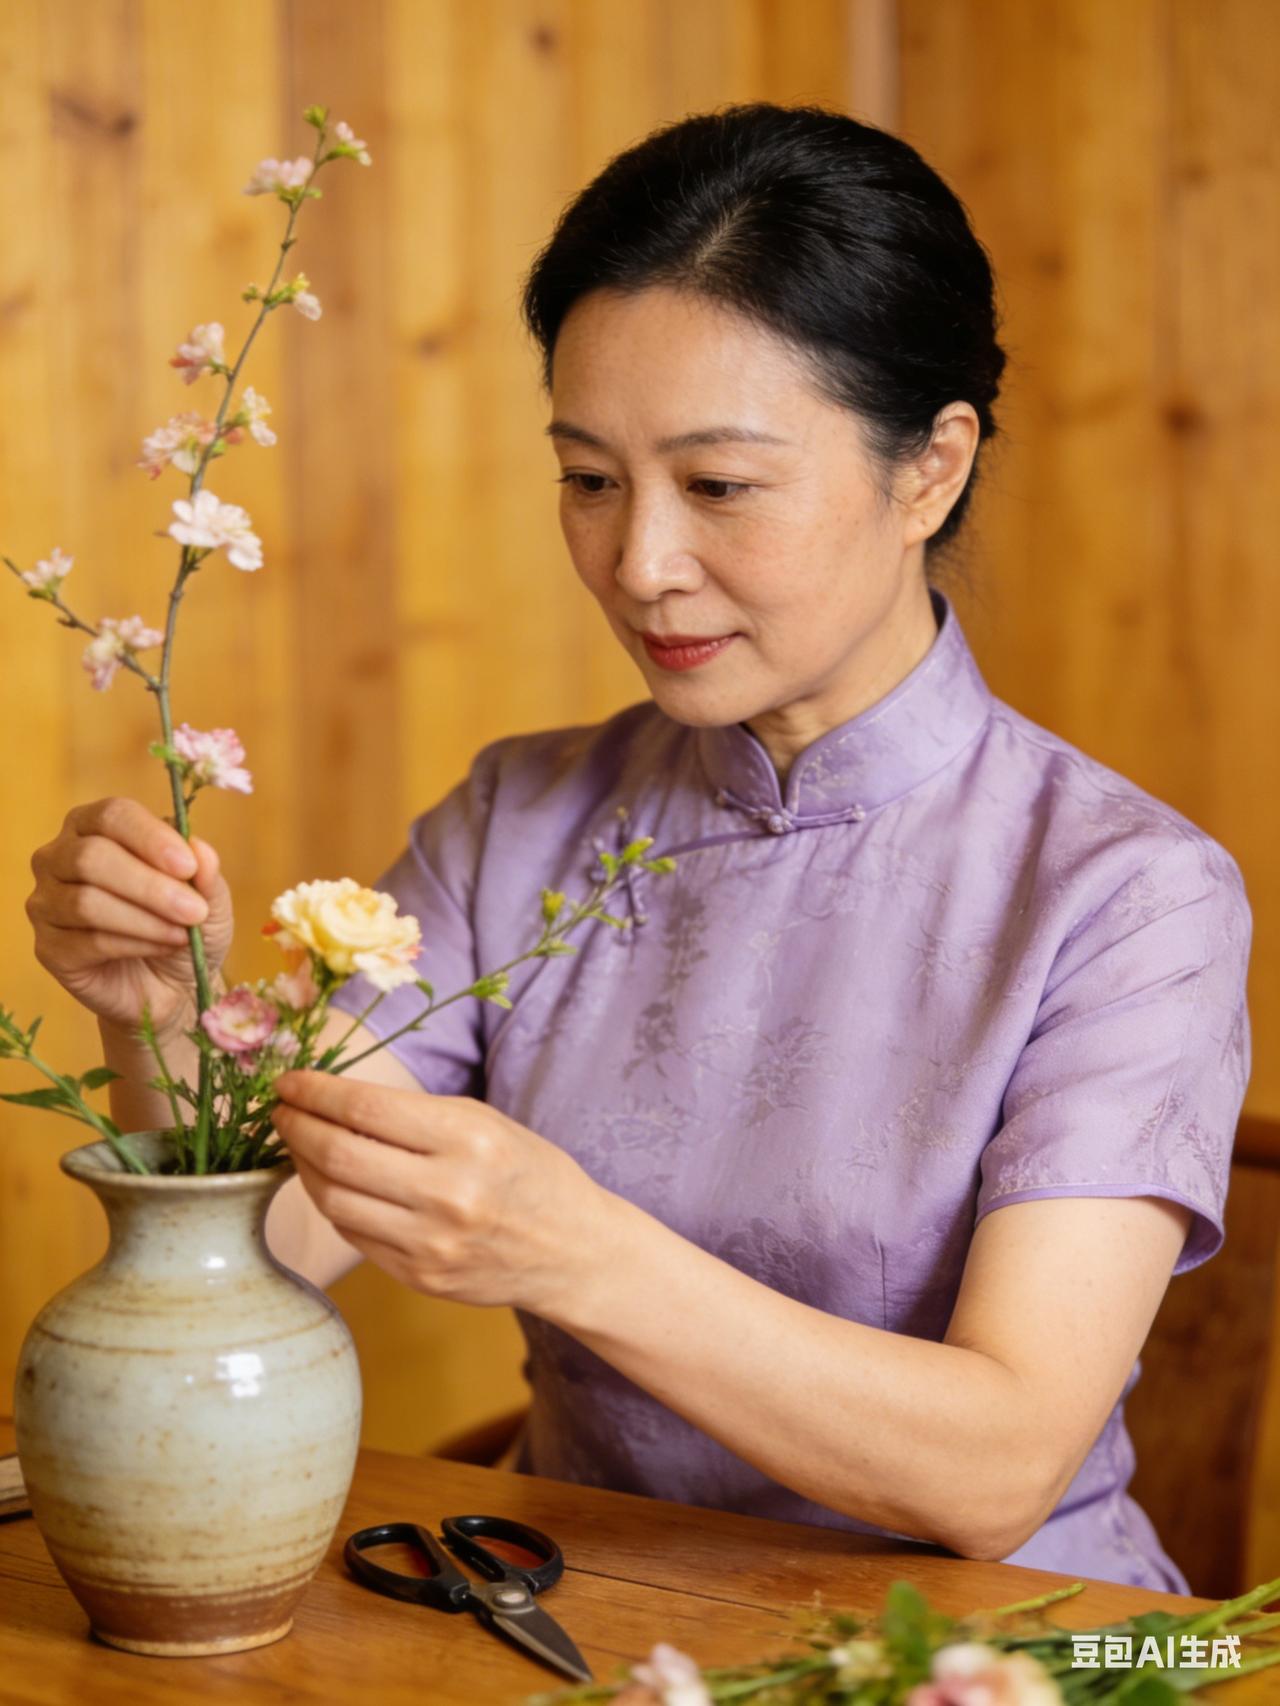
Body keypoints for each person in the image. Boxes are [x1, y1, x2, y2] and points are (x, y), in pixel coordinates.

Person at [27, 103, 1250, 1595]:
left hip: (1044, 1644)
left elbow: (997, 1468)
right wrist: (156, 1014)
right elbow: (270, 1224)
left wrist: (576, 1251)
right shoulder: (520, 817)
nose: (639, 562)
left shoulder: (1128, 892)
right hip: (582, 1610)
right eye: (591, 479)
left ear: (931, 467)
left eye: (719, 486)